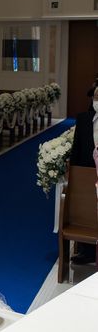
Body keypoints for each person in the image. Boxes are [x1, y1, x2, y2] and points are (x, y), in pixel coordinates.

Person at [68, 86, 98, 264]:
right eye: (96, 97)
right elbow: (76, 150)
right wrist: (73, 176)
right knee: (85, 210)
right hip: (86, 174)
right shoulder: (84, 119)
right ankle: (87, 251)